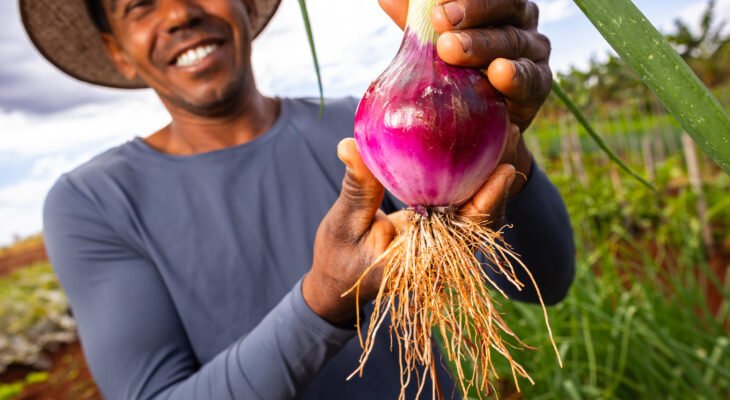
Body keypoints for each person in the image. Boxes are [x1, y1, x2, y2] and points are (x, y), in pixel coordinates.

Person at [24, 0, 575, 398]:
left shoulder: (349, 128)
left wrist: (504, 145)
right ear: (116, 52)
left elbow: (546, 282)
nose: (178, 13)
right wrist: (323, 301)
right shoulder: (91, 202)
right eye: (140, 5)